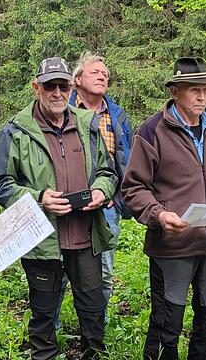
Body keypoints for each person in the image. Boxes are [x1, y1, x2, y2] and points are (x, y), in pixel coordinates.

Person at [121, 57, 206, 360]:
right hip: (173, 245)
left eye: (205, 89)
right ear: (175, 91)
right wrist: (159, 215)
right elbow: (133, 187)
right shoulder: (153, 131)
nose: (201, 97)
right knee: (167, 323)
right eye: (193, 90)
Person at [0, 57, 116, 360]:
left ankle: (93, 354)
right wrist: (39, 197)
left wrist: (101, 190)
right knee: (43, 314)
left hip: (86, 237)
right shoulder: (16, 132)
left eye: (63, 85)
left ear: (71, 87)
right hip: (41, 241)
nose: (57, 92)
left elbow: (107, 172)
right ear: (36, 88)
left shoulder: (87, 125)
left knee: (93, 309)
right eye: (49, 86)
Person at [54, 52, 133, 325]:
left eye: (106, 74)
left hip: (106, 205)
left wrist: (118, 198)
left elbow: (126, 159)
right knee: (58, 271)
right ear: (76, 81)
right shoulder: (60, 109)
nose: (102, 76)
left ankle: (96, 331)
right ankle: (48, 329)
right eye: (95, 72)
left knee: (104, 272)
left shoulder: (117, 116)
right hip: (63, 205)